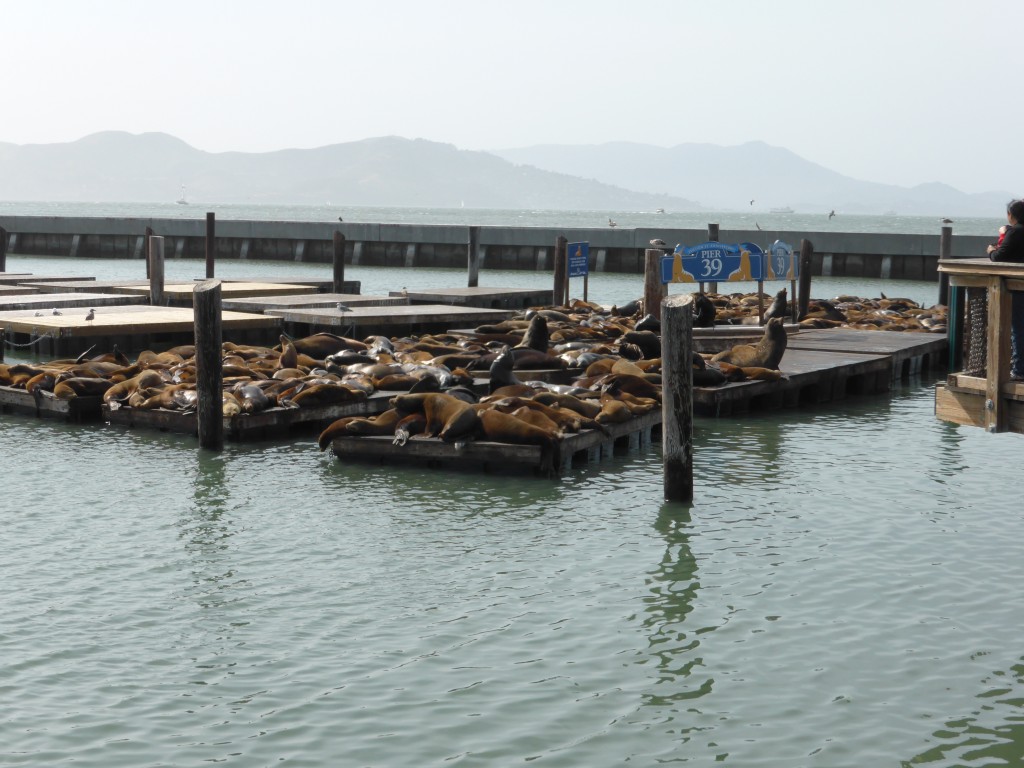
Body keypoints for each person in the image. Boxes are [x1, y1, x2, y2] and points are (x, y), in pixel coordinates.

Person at [987, 199, 1024, 379]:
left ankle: (1019, 371)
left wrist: (990, 251)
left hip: (1016, 286)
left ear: (1011, 215)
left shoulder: (1016, 232)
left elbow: (1000, 256)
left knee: (1018, 327)